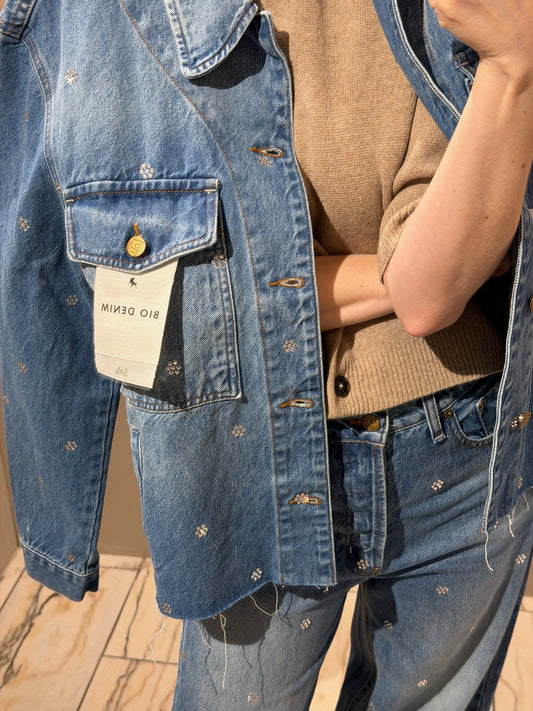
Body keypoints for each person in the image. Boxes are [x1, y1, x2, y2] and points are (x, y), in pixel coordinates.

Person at [0, 0, 531, 709]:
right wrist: (388, 270)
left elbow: (431, 290)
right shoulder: (101, 22)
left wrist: (515, 68)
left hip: (460, 441)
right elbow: (89, 263)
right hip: (243, 455)